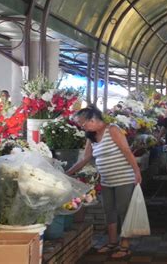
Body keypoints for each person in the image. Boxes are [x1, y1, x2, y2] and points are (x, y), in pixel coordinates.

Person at [66, 106, 142, 259]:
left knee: (123, 211)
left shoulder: (112, 130)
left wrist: (137, 172)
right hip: (107, 180)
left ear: (93, 119)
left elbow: (127, 151)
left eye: (83, 123)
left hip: (123, 178)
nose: (82, 127)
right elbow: (85, 158)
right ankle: (112, 242)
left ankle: (125, 245)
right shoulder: (91, 136)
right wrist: (67, 173)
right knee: (109, 211)